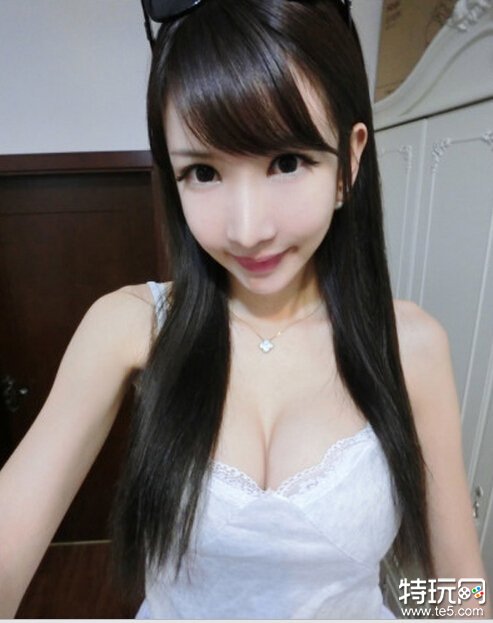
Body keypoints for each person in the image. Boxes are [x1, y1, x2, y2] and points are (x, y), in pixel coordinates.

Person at [0, 0, 490, 618]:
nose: (247, 229)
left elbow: (460, 584)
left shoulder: (412, 345)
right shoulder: (128, 327)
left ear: (349, 162)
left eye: (287, 162)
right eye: (203, 172)